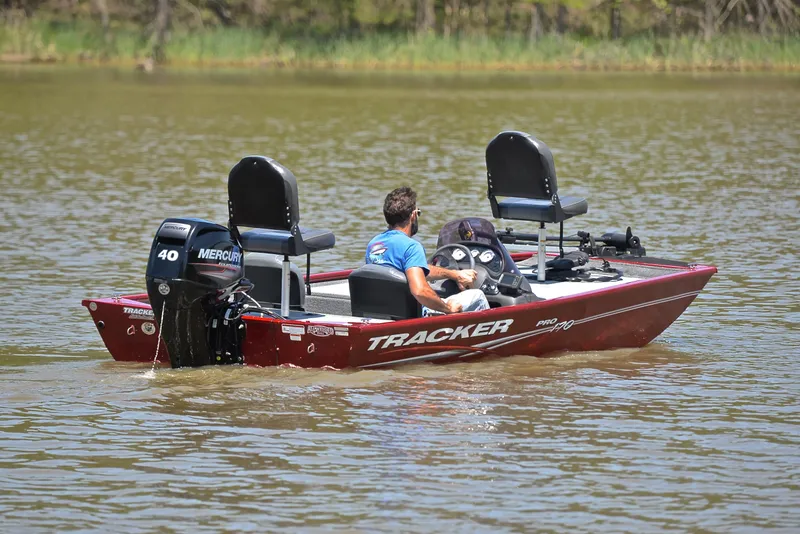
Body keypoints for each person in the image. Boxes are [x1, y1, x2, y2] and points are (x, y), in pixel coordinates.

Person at [366, 186, 490, 316]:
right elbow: (419, 291)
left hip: (385, 313)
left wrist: (454, 274)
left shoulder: (374, 244)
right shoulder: (411, 247)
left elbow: (415, 271)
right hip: (415, 316)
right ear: (413, 215)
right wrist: (448, 308)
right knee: (478, 295)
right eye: (418, 212)